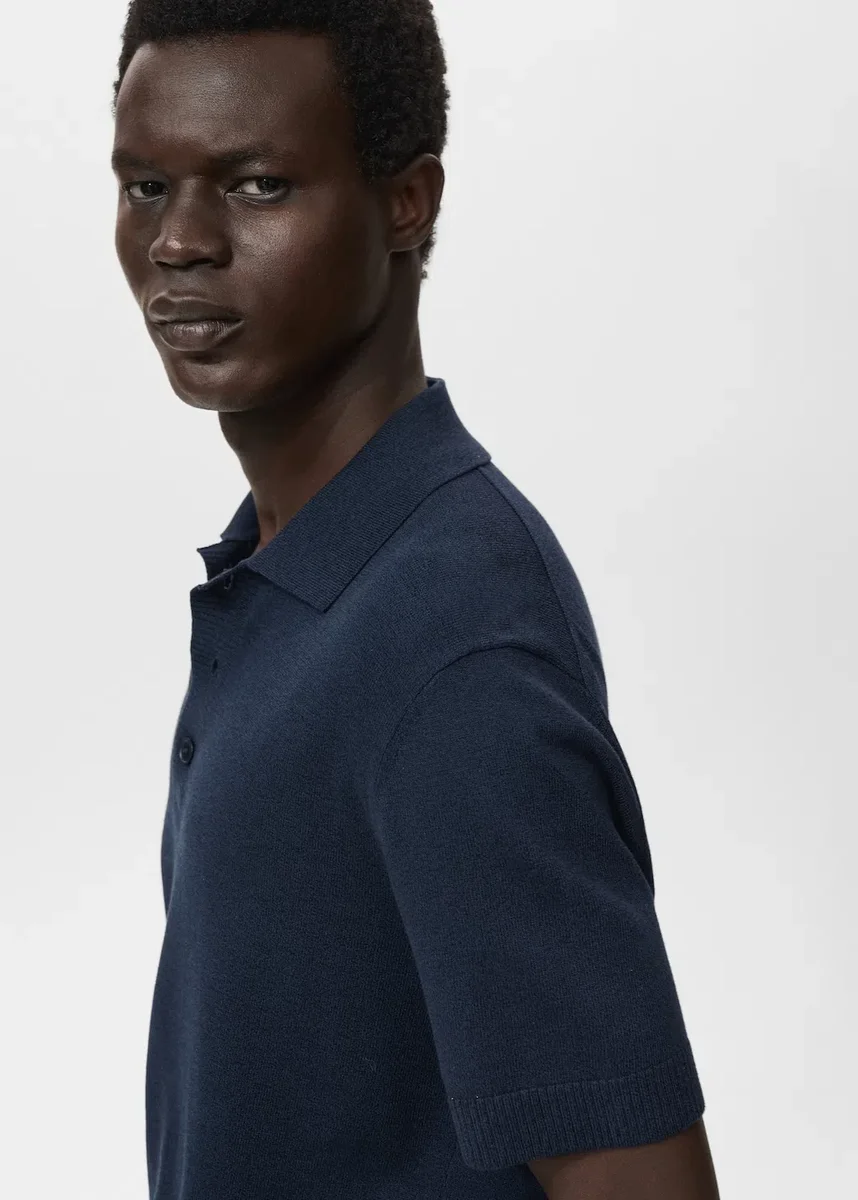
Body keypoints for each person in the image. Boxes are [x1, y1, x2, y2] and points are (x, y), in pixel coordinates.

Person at [110, 3, 720, 1198]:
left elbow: (639, 1181)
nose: (179, 243)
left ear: (407, 201)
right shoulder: (303, 566)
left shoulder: (450, 653)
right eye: (145, 187)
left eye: (258, 185)